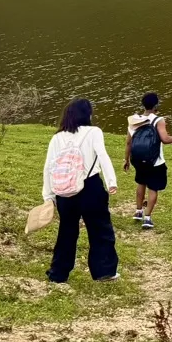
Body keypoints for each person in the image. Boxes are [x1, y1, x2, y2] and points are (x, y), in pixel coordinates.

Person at [43, 97, 119, 283]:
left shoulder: (57, 137)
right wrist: (111, 181)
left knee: (67, 231)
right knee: (100, 228)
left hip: (64, 190)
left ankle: (58, 274)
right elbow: (102, 155)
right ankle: (104, 272)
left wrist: (48, 194)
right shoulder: (94, 132)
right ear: (88, 114)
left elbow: (48, 166)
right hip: (90, 186)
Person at [124, 91, 172, 230]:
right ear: (156, 106)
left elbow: (129, 142)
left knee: (141, 183)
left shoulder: (134, 120)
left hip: (137, 159)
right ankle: (147, 218)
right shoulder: (159, 120)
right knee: (153, 188)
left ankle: (138, 211)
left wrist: (127, 159)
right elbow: (165, 139)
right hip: (155, 162)